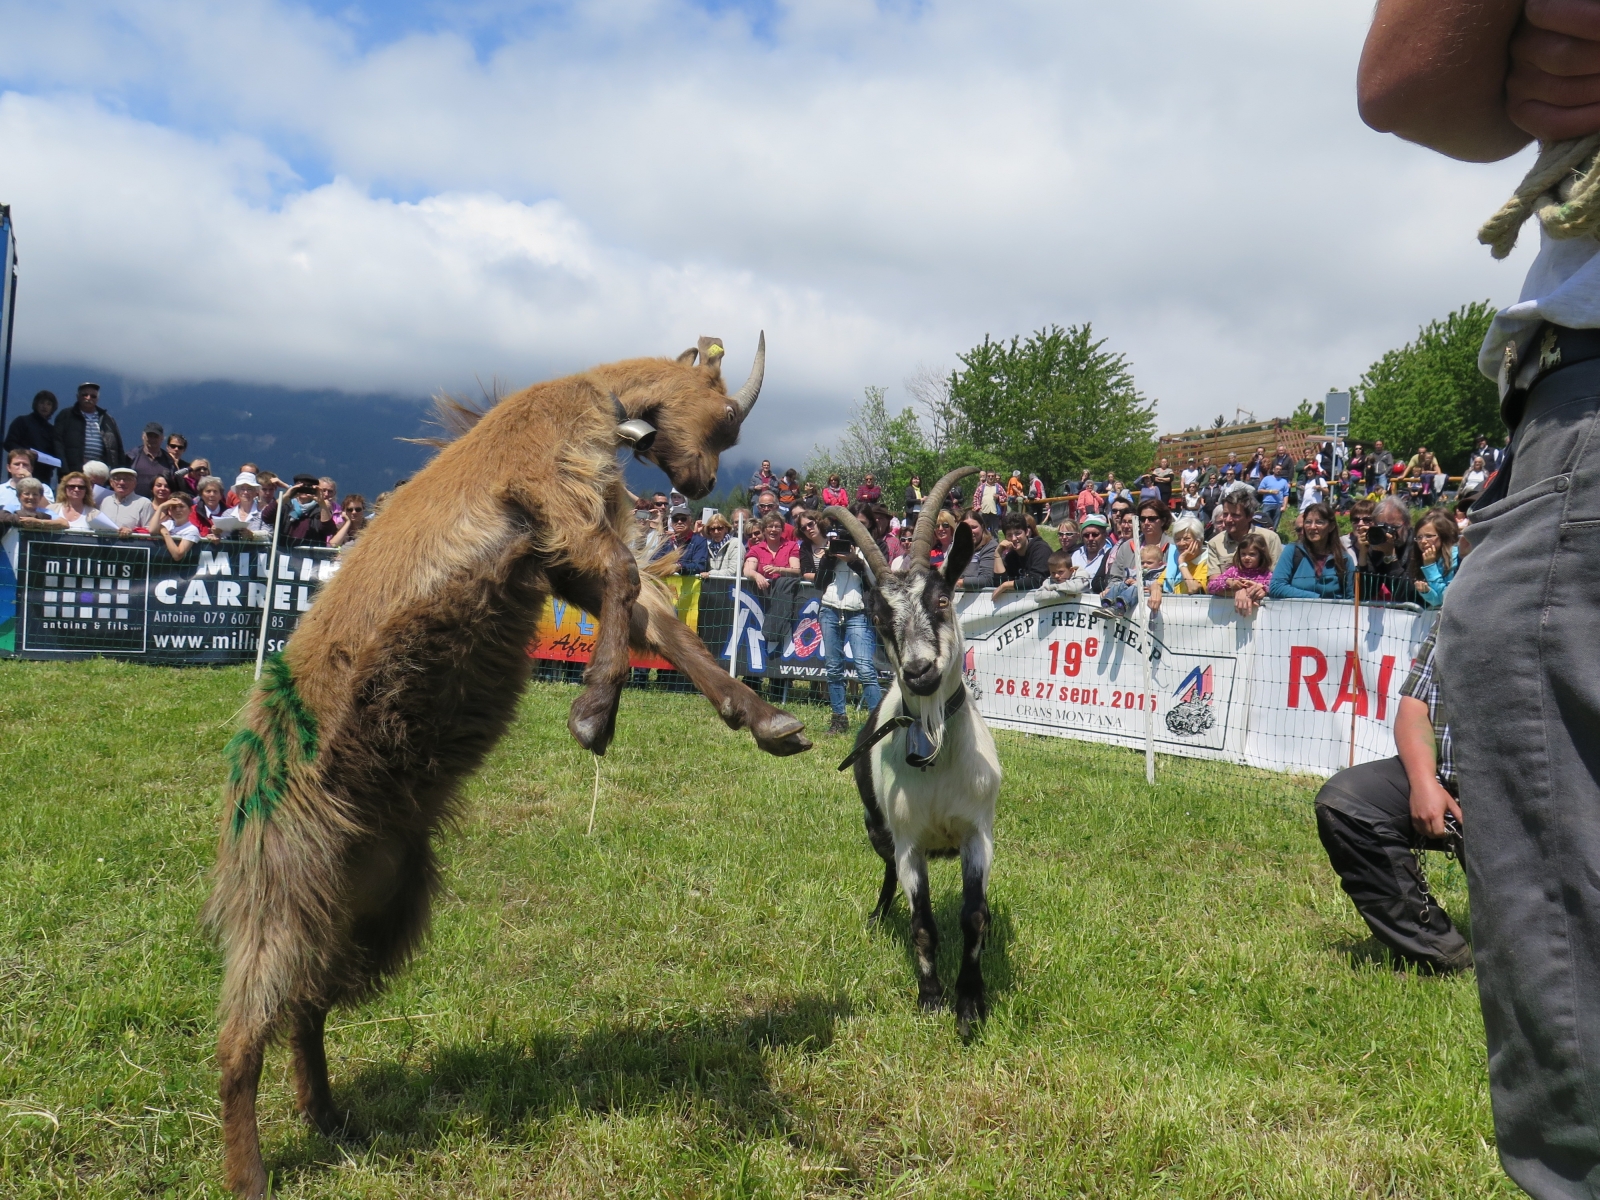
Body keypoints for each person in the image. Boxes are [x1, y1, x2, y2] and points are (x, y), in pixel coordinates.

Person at [1314, 625, 1472, 974]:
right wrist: (1424, 783)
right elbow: (1414, 705)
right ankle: (1436, 953)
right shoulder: (1456, 608)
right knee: (1349, 803)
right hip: (1446, 781)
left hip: (1528, 794)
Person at [812, 519, 882, 735]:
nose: (838, 545)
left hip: (858, 614)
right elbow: (818, 583)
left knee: (865, 668)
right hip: (829, 610)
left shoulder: (864, 554)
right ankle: (838, 719)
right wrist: (828, 560)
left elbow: (874, 582)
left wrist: (854, 561)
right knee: (833, 668)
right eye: (835, 541)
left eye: (843, 541)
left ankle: (877, 722)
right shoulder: (829, 556)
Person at [1269, 503, 1354, 599]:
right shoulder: (1292, 551)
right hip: (1296, 613)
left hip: (1332, 613)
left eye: (1319, 522)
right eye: (1308, 522)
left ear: (1331, 527)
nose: (1312, 527)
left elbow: (1350, 597)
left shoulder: (1344, 559)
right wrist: (1316, 599)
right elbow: (1276, 587)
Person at [1205, 487, 1283, 583]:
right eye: (1225, 514)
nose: (1228, 520)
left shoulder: (1270, 539)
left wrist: (1258, 589)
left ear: (1250, 516)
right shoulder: (1215, 543)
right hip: (1228, 596)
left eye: (1235, 515)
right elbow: (1214, 581)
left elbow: (1278, 579)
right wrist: (1237, 590)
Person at [54, 382, 125, 475]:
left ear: (97, 399)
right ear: (77, 396)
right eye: (85, 395)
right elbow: (57, 443)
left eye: (93, 396)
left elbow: (117, 447)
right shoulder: (66, 416)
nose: (88, 398)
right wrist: (64, 468)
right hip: (73, 471)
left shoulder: (108, 419)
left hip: (101, 472)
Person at [990, 513, 1053, 600]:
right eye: (1009, 535)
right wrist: (997, 555)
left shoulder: (1041, 549)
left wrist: (1006, 585)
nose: (1014, 538)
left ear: (1027, 532)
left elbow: (1037, 580)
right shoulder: (1011, 557)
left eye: (1017, 533)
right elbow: (998, 583)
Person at [4, 390, 60, 484]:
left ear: (53, 408)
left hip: (43, 476)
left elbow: (56, 454)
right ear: (36, 404)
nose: (44, 406)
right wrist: (26, 453)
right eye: (42, 403)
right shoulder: (22, 422)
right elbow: (9, 443)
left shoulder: (52, 430)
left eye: (49, 404)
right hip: (20, 472)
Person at [1207, 534, 1274, 611]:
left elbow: (1275, 589)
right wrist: (1227, 582)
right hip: (1232, 614)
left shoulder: (1266, 574)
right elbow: (1210, 587)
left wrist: (1263, 588)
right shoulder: (1234, 571)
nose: (1247, 557)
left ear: (1261, 555)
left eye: (1252, 554)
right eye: (1243, 554)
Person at [1411, 509, 1461, 610]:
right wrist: (1426, 592)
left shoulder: (1456, 557)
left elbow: (1447, 598)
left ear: (1442, 536)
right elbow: (1437, 602)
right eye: (1419, 537)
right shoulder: (1423, 558)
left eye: (1429, 536)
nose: (1423, 541)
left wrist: (1430, 566)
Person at [742, 513, 799, 593]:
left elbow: (797, 570)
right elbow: (747, 570)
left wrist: (778, 570)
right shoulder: (756, 549)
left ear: (782, 529)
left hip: (787, 592)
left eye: (777, 526)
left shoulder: (792, 546)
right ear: (764, 530)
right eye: (770, 526)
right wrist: (757, 576)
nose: (773, 529)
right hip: (762, 593)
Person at [1104, 543, 1166, 616]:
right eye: (1142, 563)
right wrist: (1128, 581)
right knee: (1119, 584)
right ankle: (1107, 603)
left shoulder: (1160, 573)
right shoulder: (1137, 572)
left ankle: (1120, 607)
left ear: (1160, 564)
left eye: (1149, 563)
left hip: (1143, 595)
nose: (1145, 565)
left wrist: (1141, 583)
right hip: (1132, 592)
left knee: (1137, 586)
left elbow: (1157, 583)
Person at [1069, 513, 1115, 593]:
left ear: (1105, 535)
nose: (1090, 538)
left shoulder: (1111, 556)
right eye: (1086, 535)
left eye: (1095, 534)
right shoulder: (1076, 554)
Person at [655, 507, 709, 575]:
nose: (679, 522)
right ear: (671, 523)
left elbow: (700, 566)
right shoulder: (666, 541)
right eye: (675, 519)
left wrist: (679, 567)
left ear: (691, 521)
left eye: (683, 519)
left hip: (689, 584)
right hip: (666, 584)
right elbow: (654, 561)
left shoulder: (700, 541)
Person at [99, 466, 154, 532]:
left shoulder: (144, 503)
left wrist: (132, 532)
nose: (122, 482)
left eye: (127, 479)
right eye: (118, 479)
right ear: (111, 482)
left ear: (134, 483)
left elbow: (148, 530)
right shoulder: (106, 501)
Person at [126, 421, 171, 497]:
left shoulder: (169, 461)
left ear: (162, 438)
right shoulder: (130, 457)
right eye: (149, 436)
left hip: (160, 505)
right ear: (143, 436)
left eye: (155, 436)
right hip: (133, 504)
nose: (152, 439)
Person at [955, 515, 999, 591]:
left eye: (974, 527)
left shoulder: (991, 547)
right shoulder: (956, 548)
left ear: (982, 527)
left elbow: (987, 579)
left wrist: (960, 583)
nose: (970, 531)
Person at [1166, 515, 1209, 594]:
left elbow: (1193, 588)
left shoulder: (1208, 561)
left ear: (1199, 541)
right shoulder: (1176, 556)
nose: (1181, 543)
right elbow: (1159, 582)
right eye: (1177, 539)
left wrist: (1182, 563)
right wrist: (1155, 589)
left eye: (1186, 539)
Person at [1, 448, 53, 512]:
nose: (21, 467)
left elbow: (49, 511)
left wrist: (30, 480)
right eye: (17, 464)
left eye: (25, 464)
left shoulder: (44, 488)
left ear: (31, 469)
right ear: (9, 468)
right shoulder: (1, 490)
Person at [154, 495, 202, 562]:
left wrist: (166, 534)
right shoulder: (168, 523)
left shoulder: (192, 529)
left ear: (190, 510)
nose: (177, 510)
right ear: (169, 511)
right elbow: (152, 530)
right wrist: (160, 507)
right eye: (174, 507)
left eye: (181, 506)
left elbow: (177, 556)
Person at [702, 513, 742, 577]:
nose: (716, 532)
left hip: (730, 585)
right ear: (709, 531)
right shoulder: (708, 547)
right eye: (712, 529)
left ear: (726, 529)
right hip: (712, 585)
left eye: (719, 528)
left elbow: (733, 571)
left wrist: (710, 574)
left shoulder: (735, 543)